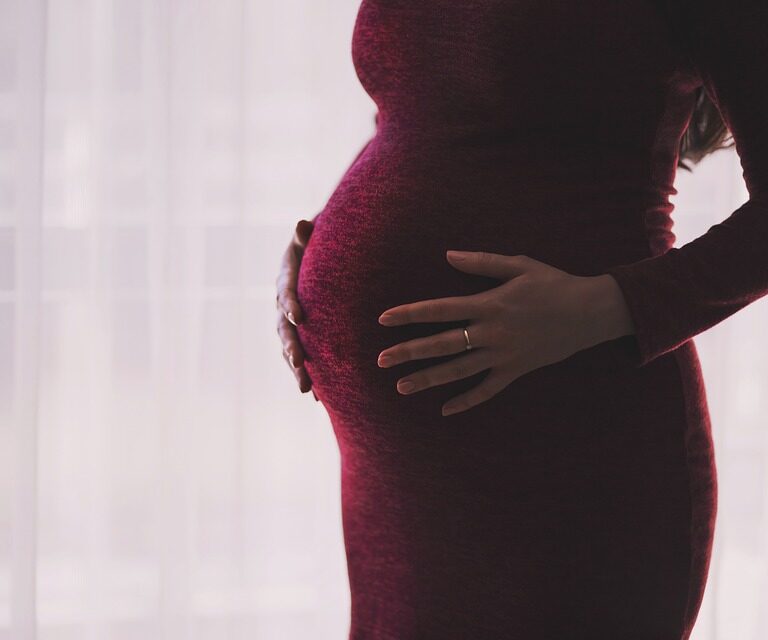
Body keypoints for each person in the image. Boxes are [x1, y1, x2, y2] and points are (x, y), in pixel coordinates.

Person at [275, 0, 766, 637]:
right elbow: (424, 121)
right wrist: (316, 250)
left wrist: (602, 306)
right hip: (394, 483)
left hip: (564, 448)